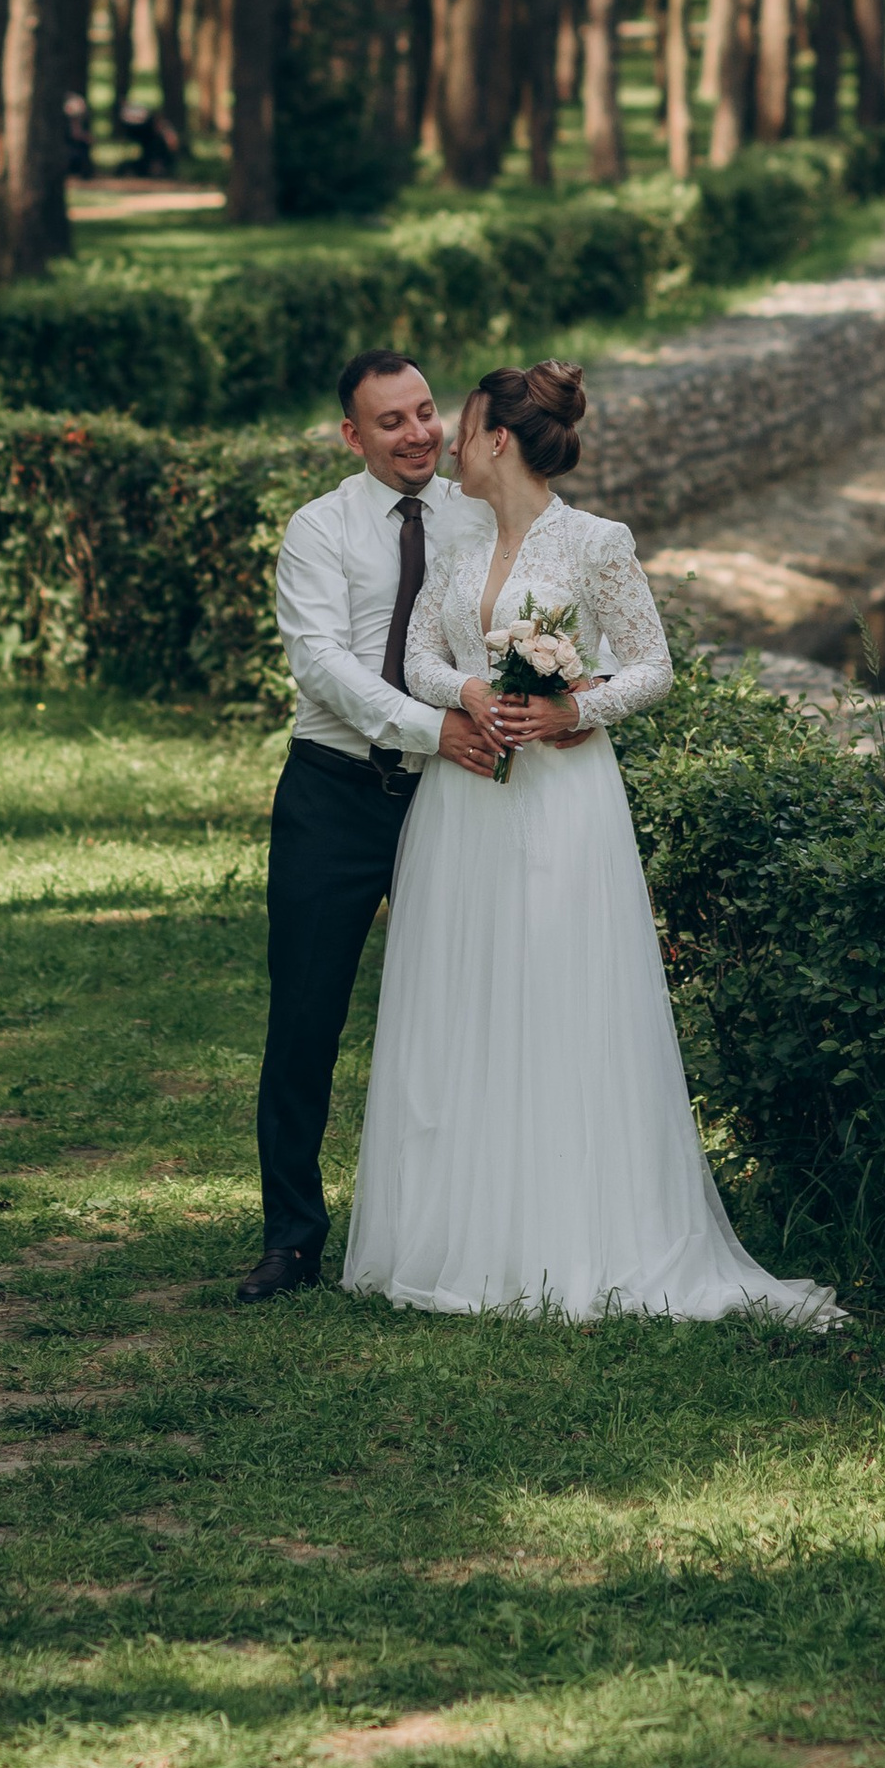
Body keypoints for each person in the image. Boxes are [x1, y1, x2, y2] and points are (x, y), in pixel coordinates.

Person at [343, 360, 839, 1326]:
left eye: (464, 427)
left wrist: (577, 708)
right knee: (465, 995)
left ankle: (570, 1238)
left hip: (562, 802)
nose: (448, 443)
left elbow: (653, 666)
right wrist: (469, 692)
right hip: (466, 799)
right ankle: (464, 1234)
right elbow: (418, 659)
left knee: (554, 993)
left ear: (498, 440)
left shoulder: (595, 542)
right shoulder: (461, 540)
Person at [240, 349, 498, 1304]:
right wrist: (435, 727)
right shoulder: (320, 529)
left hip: (454, 798)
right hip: (334, 796)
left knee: (462, 1016)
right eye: (392, 421)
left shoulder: (480, 515)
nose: (419, 433)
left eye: (426, 411)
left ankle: (460, 1229)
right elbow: (322, 665)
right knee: (305, 1021)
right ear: (353, 436)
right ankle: (292, 1240)